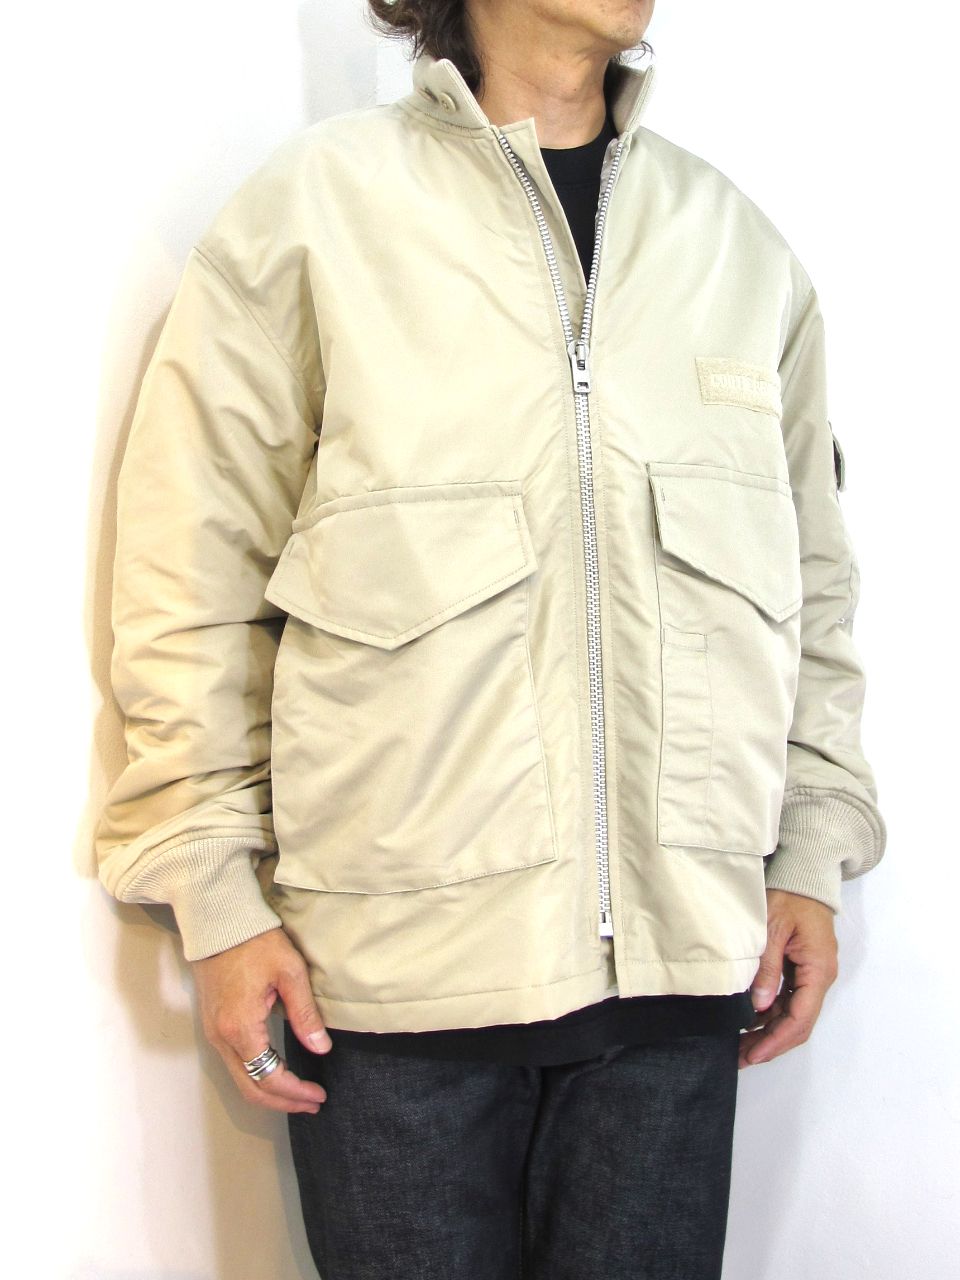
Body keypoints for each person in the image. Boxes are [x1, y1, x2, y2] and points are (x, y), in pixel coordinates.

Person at [95, 1, 887, 1276]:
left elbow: (813, 585)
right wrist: (217, 896)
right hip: (390, 1003)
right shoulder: (315, 216)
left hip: (681, 991)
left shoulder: (736, 249)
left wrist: (808, 847)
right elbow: (190, 570)